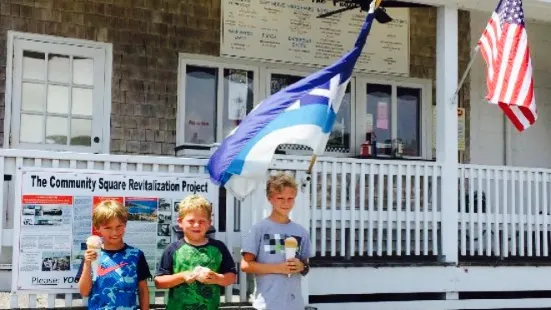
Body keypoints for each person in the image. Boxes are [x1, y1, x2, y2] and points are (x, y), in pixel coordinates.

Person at [241, 172, 313, 310]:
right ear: (270, 198)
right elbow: (245, 265)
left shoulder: (301, 232)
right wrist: (278, 268)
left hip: (294, 304)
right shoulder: (259, 229)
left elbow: (306, 266)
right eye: (280, 198)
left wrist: (301, 266)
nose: (286, 203)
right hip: (267, 304)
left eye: (290, 198)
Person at [154, 194, 237, 310]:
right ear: (180, 222)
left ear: (209, 223)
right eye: (191, 221)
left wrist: (217, 278)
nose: (196, 225)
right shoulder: (172, 249)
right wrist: (182, 276)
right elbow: (159, 282)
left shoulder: (219, 248)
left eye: (202, 221)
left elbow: (232, 276)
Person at [75, 200, 151, 310]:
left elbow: (143, 289)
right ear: (97, 228)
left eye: (119, 226)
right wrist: (87, 264)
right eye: (108, 228)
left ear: (125, 224)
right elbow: (84, 292)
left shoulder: (136, 255)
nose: (114, 232)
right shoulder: (92, 255)